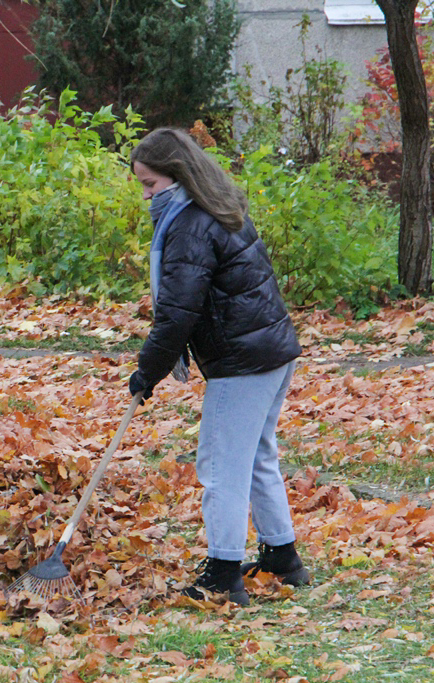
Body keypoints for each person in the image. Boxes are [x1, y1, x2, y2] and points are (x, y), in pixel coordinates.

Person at [128, 128, 310, 606]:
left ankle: (223, 574)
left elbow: (177, 314)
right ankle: (282, 559)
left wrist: (147, 373)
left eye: (151, 185)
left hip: (244, 362)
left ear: (178, 176)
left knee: (220, 466)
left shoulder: (190, 224)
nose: (147, 197)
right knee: (255, 457)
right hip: (270, 352)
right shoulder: (218, 207)